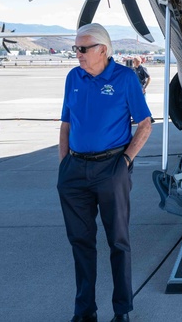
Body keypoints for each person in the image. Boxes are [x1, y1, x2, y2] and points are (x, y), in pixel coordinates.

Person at [58, 23, 153, 322]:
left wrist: (124, 163)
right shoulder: (73, 77)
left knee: (118, 241)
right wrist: (64, 166)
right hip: (75, 171)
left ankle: (122, 310)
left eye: (83, 49)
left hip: (111, 168)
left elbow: (145, 124)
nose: (78, 54)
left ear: (102, 49)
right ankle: (85, 311)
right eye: (75, 48)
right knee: (80, 243)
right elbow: (65, 124)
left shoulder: (125, 79)